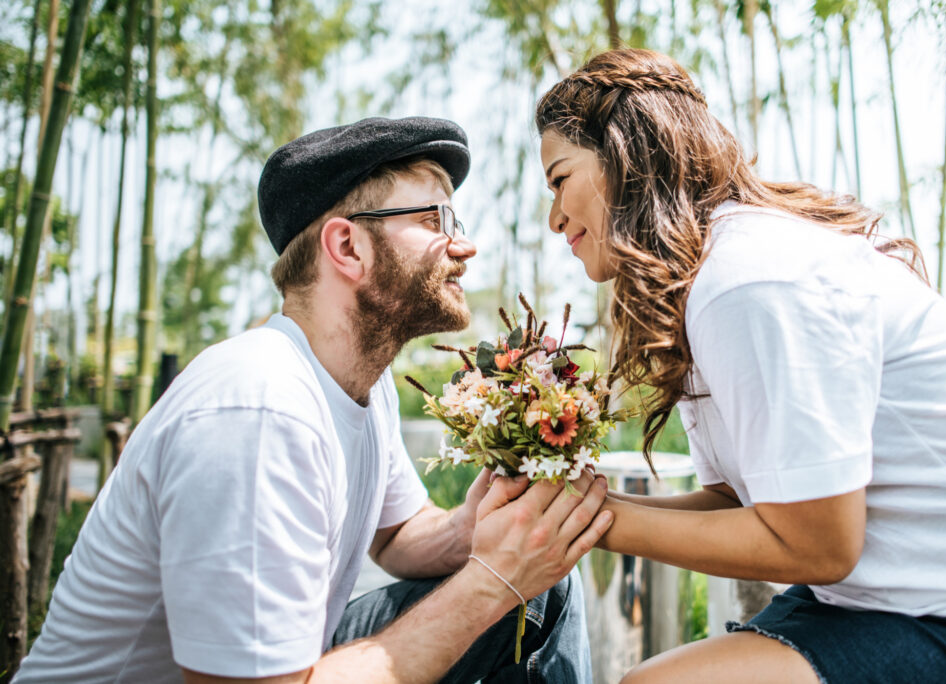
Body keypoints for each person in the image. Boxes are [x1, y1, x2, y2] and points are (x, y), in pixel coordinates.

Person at [16, 117, 612, 684]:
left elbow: (397, 533)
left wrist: (477, 527)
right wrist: (492, 581)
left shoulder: (363, 382)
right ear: (348, 247)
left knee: (541, 587)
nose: (465, 246)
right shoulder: (260, 409)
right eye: (436, 219)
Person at [534, 48, 946, 683]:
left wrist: (596, 523)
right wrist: (586, 504)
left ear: (625, 158)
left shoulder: (747, 280)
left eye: (559, 179)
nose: (553, 219)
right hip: (891, 596)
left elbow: (817, 543)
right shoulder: (701, 282)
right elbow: (737, 501)